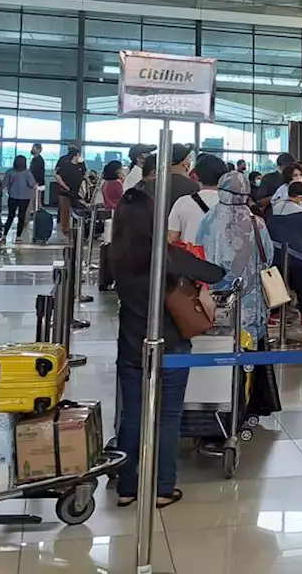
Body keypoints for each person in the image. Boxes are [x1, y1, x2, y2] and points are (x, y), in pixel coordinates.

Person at [110, 188, 225, 509]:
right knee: (168, 416)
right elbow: (217, 273)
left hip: (131, 347)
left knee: (132, 416)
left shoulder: (114, 255)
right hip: (171, 345)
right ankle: (162, 487)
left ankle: (126, 486)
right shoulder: (168, 256)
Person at [198, 172, 275, 340]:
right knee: (248, 337)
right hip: (249, 293)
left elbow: (198, 252)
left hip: (213, 293)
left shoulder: (207, 220)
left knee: (218, 339)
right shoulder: (256, 222)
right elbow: (267, 257)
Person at [268, 181, 302, 328]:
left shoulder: (274, 210)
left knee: (277, 285)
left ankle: (275, 315)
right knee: (301, 286)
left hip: (276, 254)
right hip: (297, 255)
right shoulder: (300, 213)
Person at [168, 154, 226, 246]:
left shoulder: (183, 202)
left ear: (196, 176)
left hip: (190, 258)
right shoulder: (232, 204)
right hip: (221, 258)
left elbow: (172, 238)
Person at [1, 155, 36, 242]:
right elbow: (32, 184)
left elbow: (4, 184)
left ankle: (4, 235)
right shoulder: (27, 173)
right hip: (24, 198)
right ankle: (18, 237)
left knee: (10, 216)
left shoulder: (9, 172)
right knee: (21, 216)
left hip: (12, 197)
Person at [54, 145, 87, 236]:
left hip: (77, 192)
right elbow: (57, 175)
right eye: (78, 155)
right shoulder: (65, 164)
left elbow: (84, 174)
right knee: (65, 211)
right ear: (75, 155)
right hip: (64, 192)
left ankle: (76, 228)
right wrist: (65, 186)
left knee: (77, 210)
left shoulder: (81, 164)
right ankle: (65, 230)